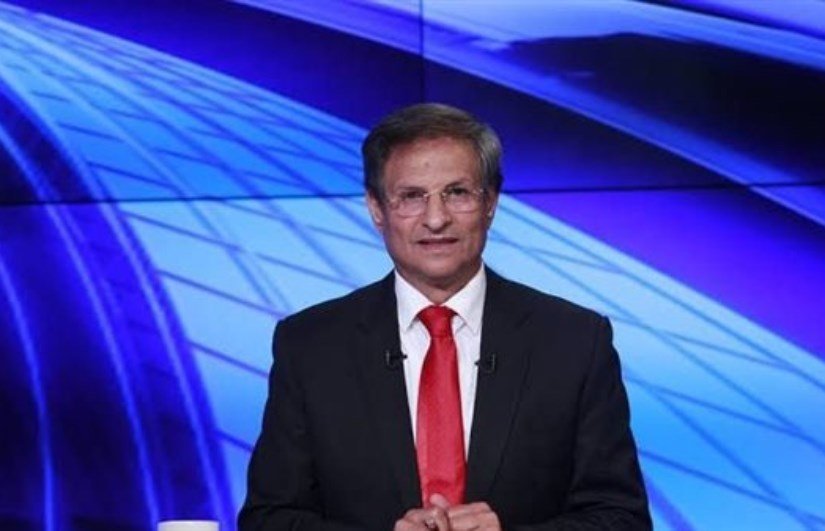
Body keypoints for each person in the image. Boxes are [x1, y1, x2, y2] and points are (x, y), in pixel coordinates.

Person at [238, 103, 651, 530]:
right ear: (376, 209)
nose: (436, 219)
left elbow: (623, 519)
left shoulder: (574, 342)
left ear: (491, 202)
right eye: (411, 197)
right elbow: (268, 520)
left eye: (457, 193)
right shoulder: (310, 346)